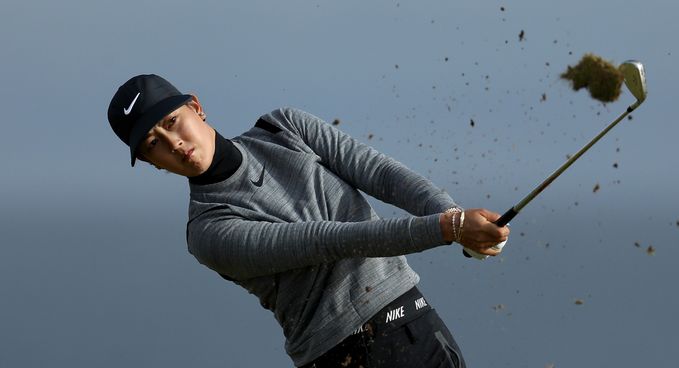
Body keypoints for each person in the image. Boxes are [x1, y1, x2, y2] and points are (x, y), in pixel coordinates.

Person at [107, 74, 510, 367]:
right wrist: (449, 228)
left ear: (196, 107)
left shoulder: (284, 127)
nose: (174, 144)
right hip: (340, 356)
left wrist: (453, 215)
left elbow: (381, 174)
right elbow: (327, 241)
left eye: (173, 121)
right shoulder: (208, 232)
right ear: (151, 163)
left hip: (411, 319)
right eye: (153, 144)